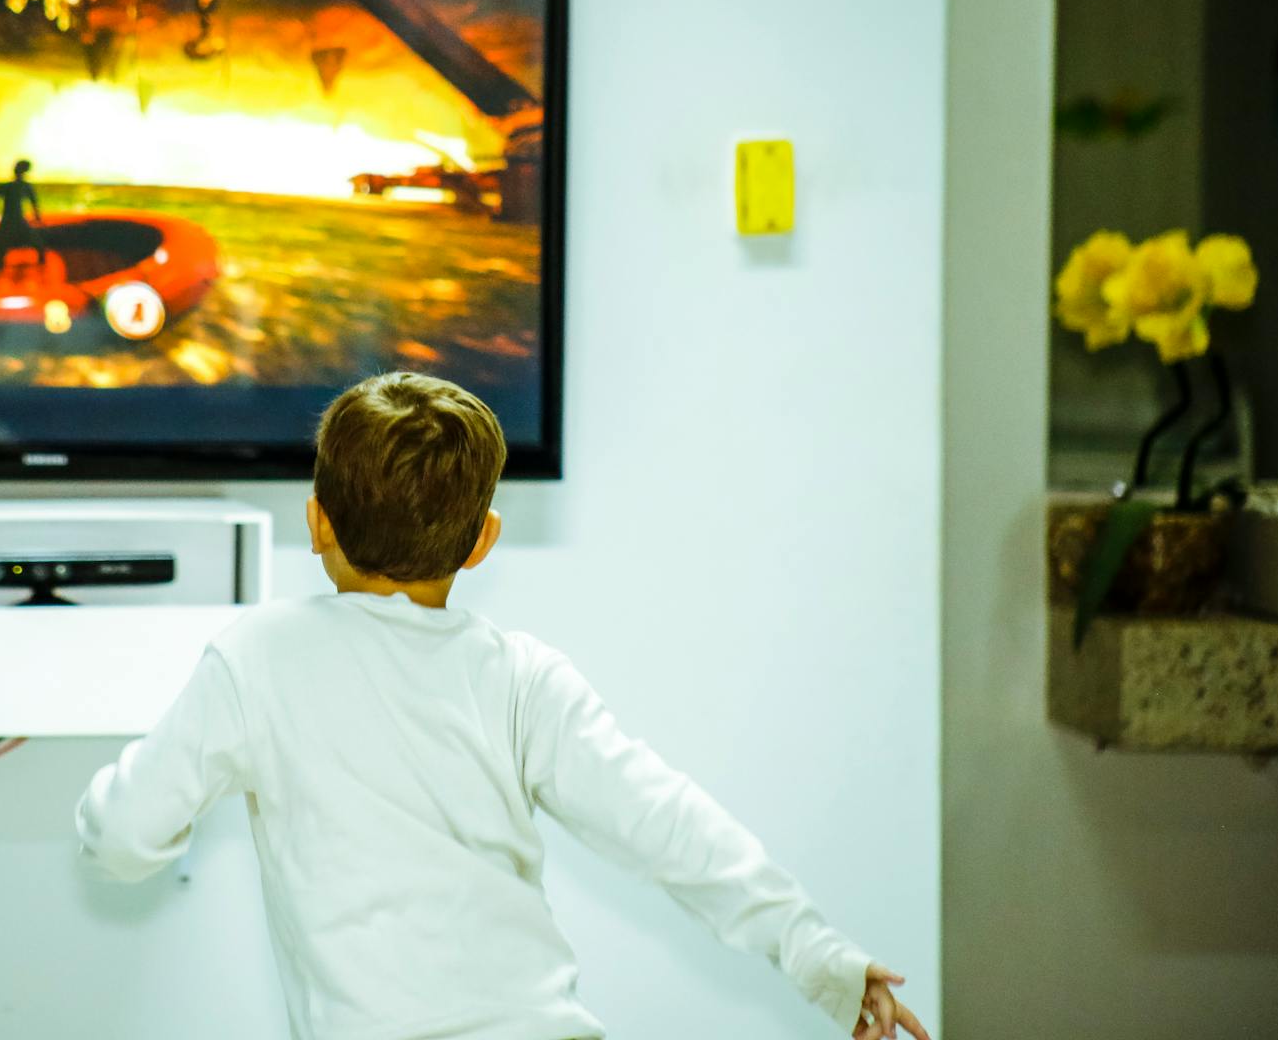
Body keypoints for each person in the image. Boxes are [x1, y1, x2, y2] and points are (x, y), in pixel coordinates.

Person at [76, 372, 929, 1040]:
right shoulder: (520, 676)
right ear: (483, 540)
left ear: (317, 523)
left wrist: (117, 812)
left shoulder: (257, 659)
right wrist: (823, 956)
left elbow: (120, 840)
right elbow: (670, 826)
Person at [0, 157, 46, 267]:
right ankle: (41, 258)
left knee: (3, 240)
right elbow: (34, 202)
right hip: (16, 217)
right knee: (31, 238)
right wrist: (37, 216)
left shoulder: (8, 186)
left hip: (9, 217)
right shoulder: (23, 186)